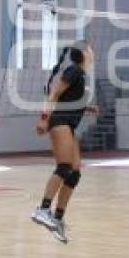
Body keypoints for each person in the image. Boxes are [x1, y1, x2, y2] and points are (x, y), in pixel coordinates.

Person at [31, 43, 99, 244]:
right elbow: (53, 94)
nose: (93, 52)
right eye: (90, 49)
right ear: (84, 53)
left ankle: (58, 218)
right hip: (59, 122)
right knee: (64, 167)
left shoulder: (81, 74)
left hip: (69, 124)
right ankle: (43, 209)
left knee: (75, 172)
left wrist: (86, 108)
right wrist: (44, 117)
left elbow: (69, 99)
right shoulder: (73, 70)